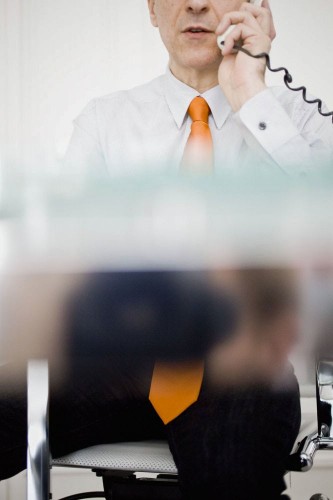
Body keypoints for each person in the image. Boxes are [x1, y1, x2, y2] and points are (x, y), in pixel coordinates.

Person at [1, 1, 332, 499]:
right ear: (153, 10)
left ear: (252, 8)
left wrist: (249, 93)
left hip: (241, 360)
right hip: (119, 360)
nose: (196, 4)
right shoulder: (104, 120)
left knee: (232, 470)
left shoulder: (297, 124)